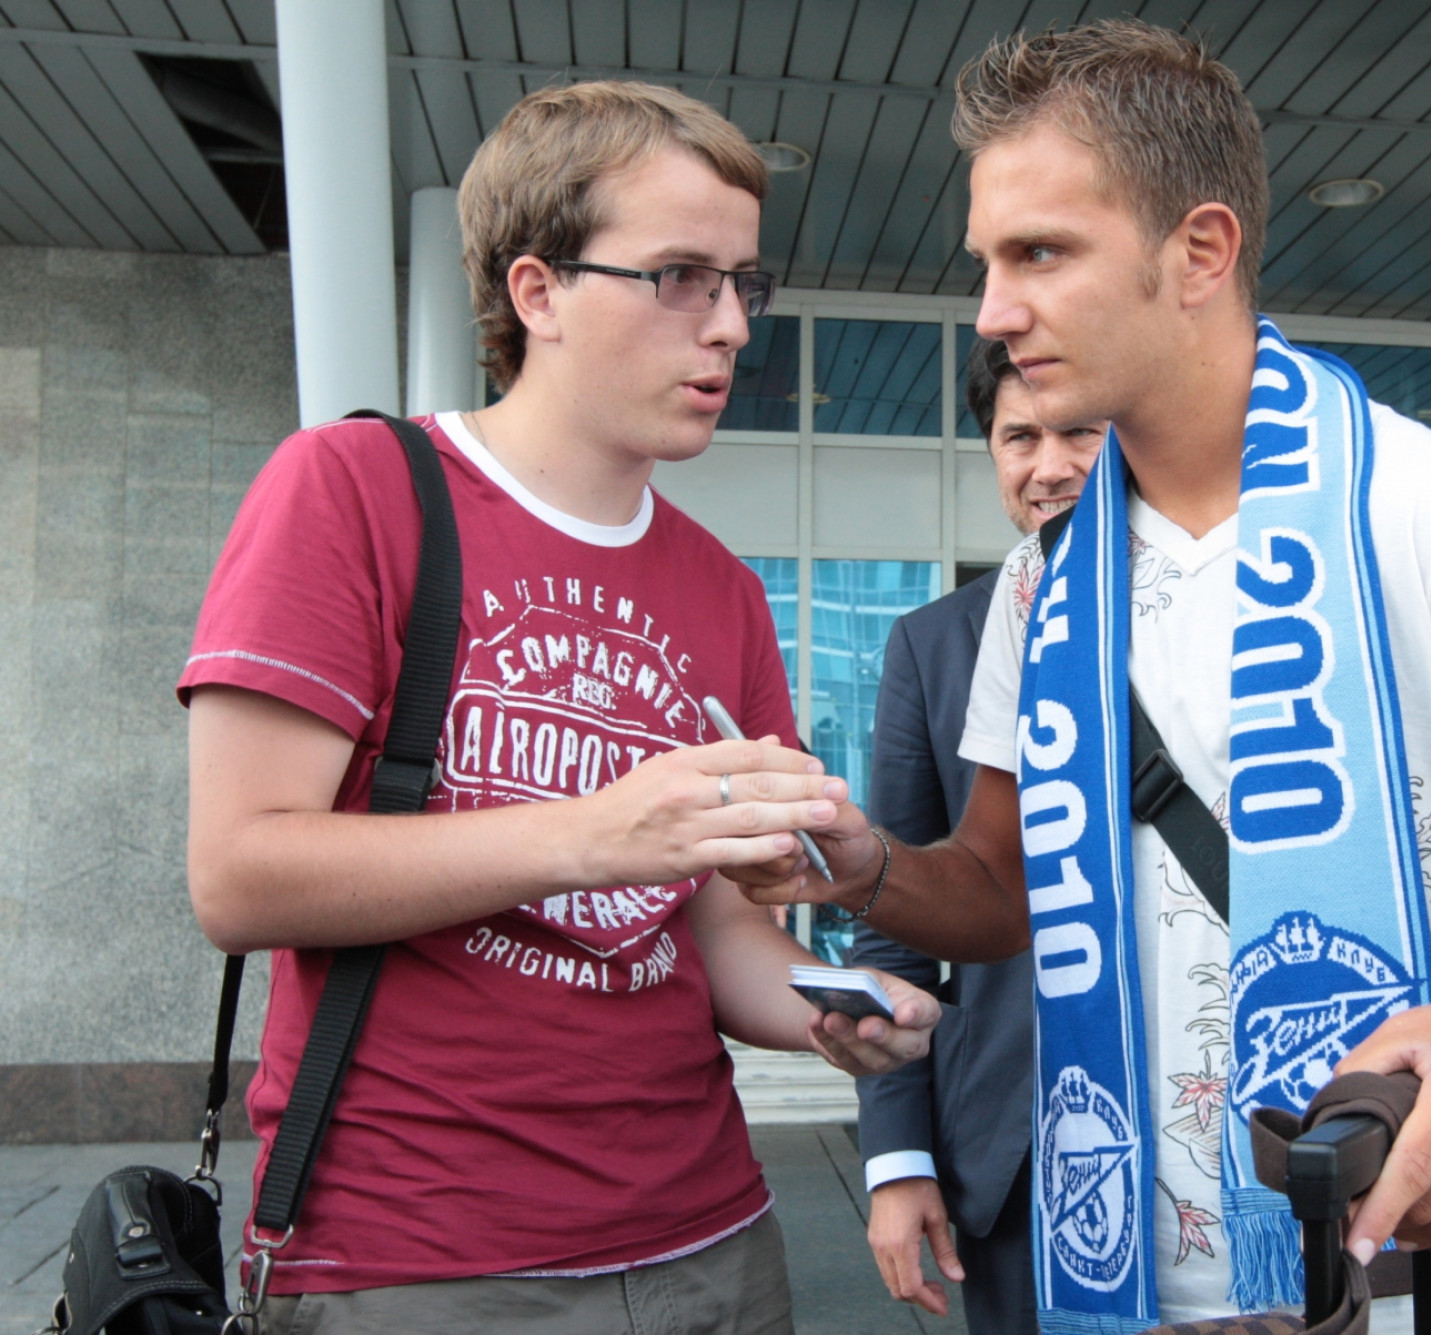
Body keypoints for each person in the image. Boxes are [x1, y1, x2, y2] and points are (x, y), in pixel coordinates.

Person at [723, 21, 1431, 1335]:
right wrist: (863, 864)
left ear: (1200, 251)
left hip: (1414, 1281)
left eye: (1040, 251)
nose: (990, 309)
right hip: (1113, 1286)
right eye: (987, 258)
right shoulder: (1042, 580)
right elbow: (999, 889)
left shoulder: (1430, 509)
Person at [179, 81, 937, 1335]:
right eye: (683, 276)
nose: (735, 325)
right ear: (537, 292)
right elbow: (237, 876)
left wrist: (830, 1008)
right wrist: (590, 833)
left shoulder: (725, 593)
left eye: (746, 280)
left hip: (713, 1241)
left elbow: (716, 937)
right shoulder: (356, 489)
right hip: (418, 1261)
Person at [850, 338, 1105, 1331]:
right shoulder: (935, 644)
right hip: (1014, 1158)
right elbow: (893, 924)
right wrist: (896, 1159)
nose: (1050, 465)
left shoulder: (1236, 617)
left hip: (1215, 1129)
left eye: (1081, 429)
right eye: (1018, 438)